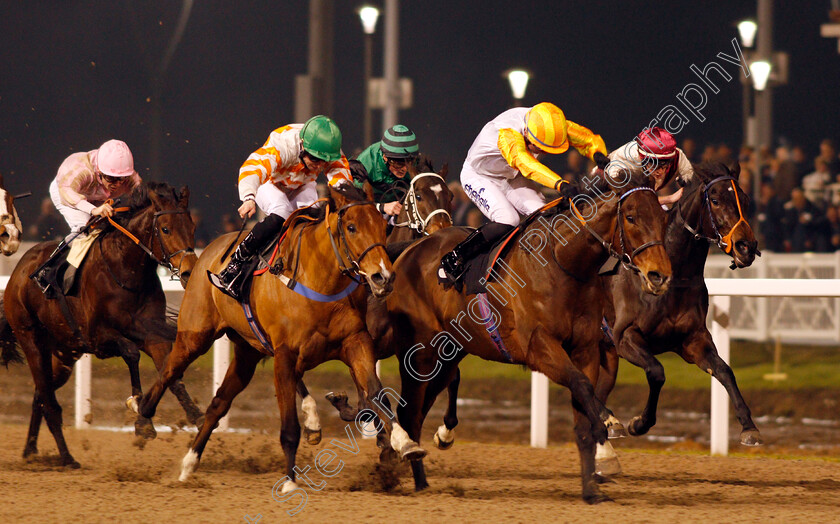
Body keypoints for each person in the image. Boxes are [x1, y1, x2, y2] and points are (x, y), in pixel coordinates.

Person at [439, 102, 609, 283]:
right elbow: (527, 165)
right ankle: (455, 257)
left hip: (511, 175)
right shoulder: (507, 134)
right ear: (527, 135)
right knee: (508, 220)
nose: (543, 152)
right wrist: (560, 184)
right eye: (540, 148)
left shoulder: (546, 123)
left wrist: (598, 154)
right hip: (480, 176)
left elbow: (586, 138)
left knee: (546, 215)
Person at [208, 115, 353, 300]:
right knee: (282, 212)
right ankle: (235, 264)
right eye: (315, 159)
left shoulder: (329, 149)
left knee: (314, 218)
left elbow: (343, 184)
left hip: (302, 184)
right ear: (302, 144)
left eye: (324, 162)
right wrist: (248, 197)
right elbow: (253, 168)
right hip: (269, 183)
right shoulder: (283, 143)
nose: (319, 165)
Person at [32, 139, 141, 292]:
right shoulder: (81, 170)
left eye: (120, 179)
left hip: (96, 196)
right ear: (99, 171)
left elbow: (142, 194)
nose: (116, 184)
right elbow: (67, 193)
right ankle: (48, 271)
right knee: (83, 228)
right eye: (110, 178)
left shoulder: (126, 174)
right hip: (67, 191)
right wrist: (92, 210)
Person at [604, 127, 694, 206]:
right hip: (604, 193)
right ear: (642, 159)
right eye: (654, 165)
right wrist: (669, 199)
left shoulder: (678, 157)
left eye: (665, 166)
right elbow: (627, 203)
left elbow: (694, 184)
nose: (660, 172)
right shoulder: (626, 159)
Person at [352, 124, 420, 217]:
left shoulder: (418, 163)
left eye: (409, 163)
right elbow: (353, 202)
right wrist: (382, 207)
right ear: (385, 157)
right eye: (398, 164)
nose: (404, 169)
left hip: (399, 203)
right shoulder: (364, 165)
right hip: (369, 206)